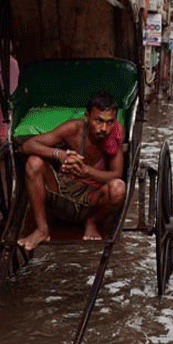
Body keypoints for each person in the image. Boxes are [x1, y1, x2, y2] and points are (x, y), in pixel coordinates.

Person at [17, 91, 126, 251]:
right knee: (34, 162)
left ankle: (92, 222)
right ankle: (42, 229)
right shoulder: (73, 129)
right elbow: (28, 146)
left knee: (118, 188)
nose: (104, 128)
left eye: (109, 122)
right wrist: (59, 155)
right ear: (87, 117)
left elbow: (117, 174)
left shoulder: (114, 134)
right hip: (62, 190)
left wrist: (87, 171)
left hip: (93, 198)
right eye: (99, 121)